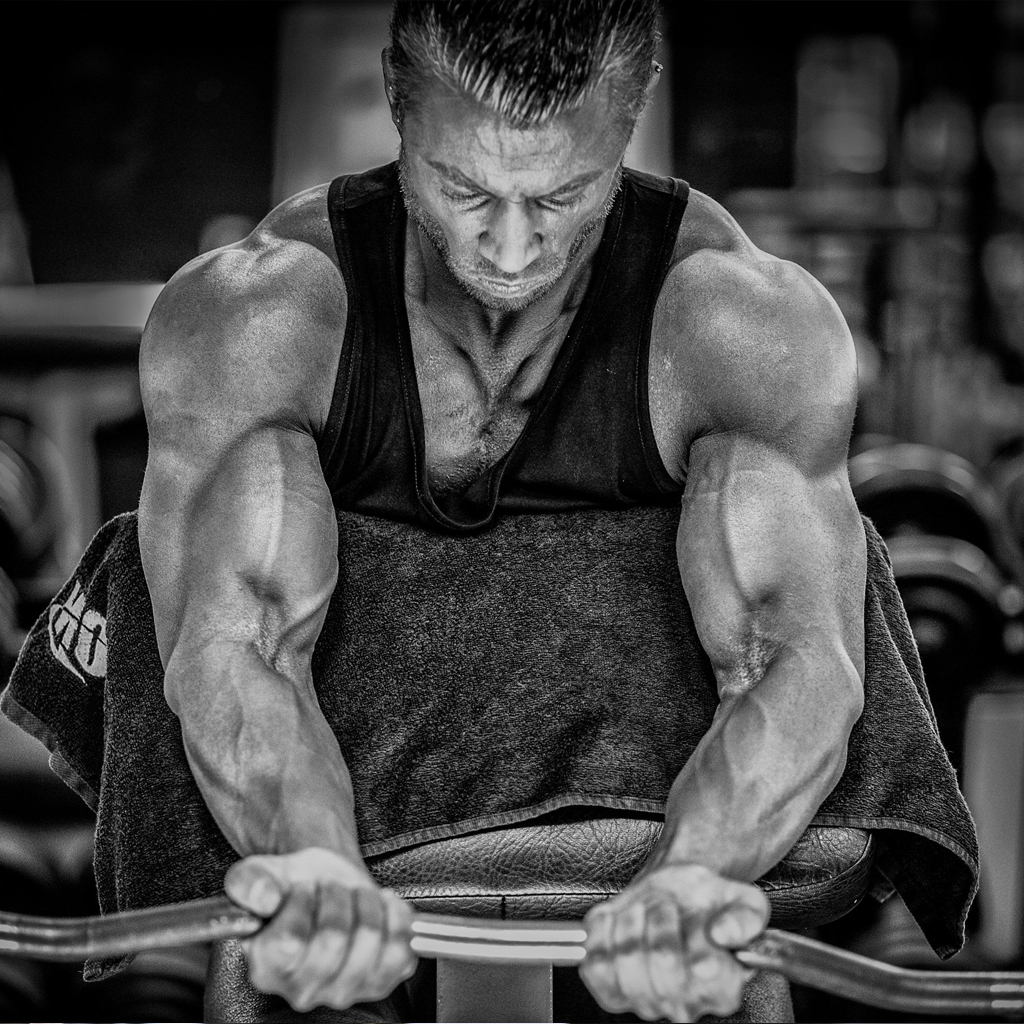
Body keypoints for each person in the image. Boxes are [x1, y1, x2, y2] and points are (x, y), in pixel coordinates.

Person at [136, 1, 865, 1021]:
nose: (514, 249)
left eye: (563, 195)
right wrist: (312, 866)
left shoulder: (738, 324)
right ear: (397, 100)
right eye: (465, 188)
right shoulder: (263, 319)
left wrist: (697, 875)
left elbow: (792, 658)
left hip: (658, 849)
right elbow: (237, 643)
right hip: (335, 831)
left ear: (633, 114)